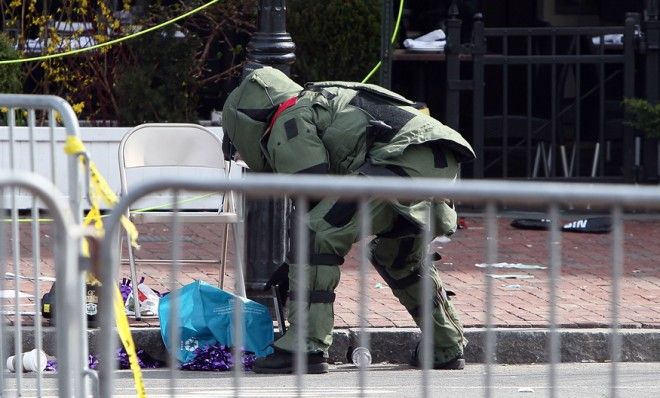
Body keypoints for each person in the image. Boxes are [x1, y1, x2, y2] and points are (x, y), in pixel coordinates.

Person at [221, 66, 475, 374]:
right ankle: (445, 345)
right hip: (434, 162)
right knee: (396, 255)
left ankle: (306, 345)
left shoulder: (288, 117)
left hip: (397, 163)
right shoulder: (320, 100)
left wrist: (298, 261)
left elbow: (312, 191)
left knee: (315, 234)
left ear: (244, 121)